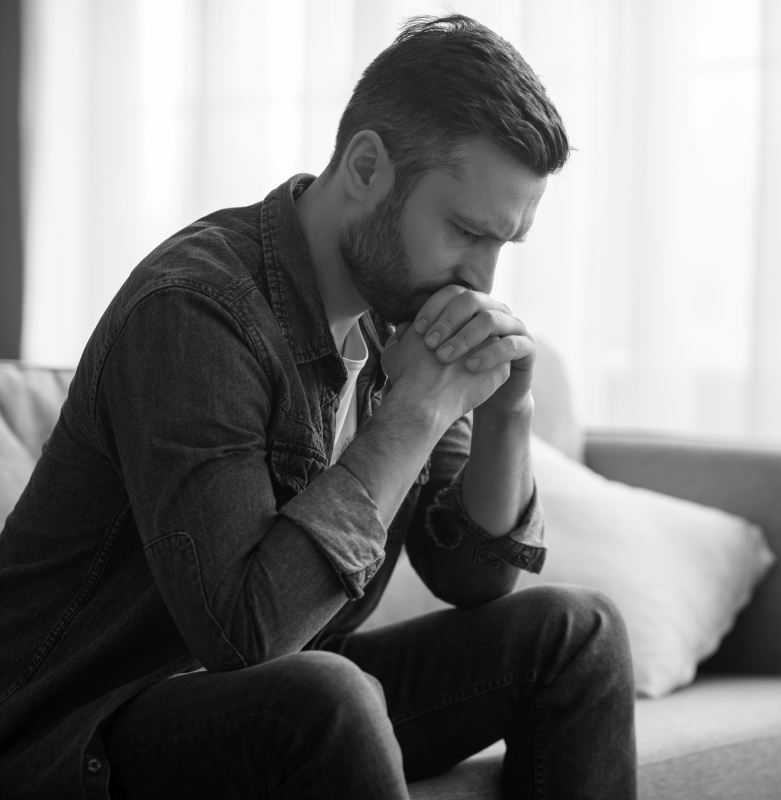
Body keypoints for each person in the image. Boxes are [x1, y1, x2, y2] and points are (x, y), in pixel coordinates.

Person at [0, 14, 636, 800]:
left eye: (504, 244)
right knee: (327, 696)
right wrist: (414, 414)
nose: (482, 280)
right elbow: (247, 635)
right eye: (467, 231)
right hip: (73, 734)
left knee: (579, 637)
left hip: (270, 702)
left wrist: (509, 412)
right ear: (366, 167)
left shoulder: (399, 309)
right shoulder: (197, 312)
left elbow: (470, 578)